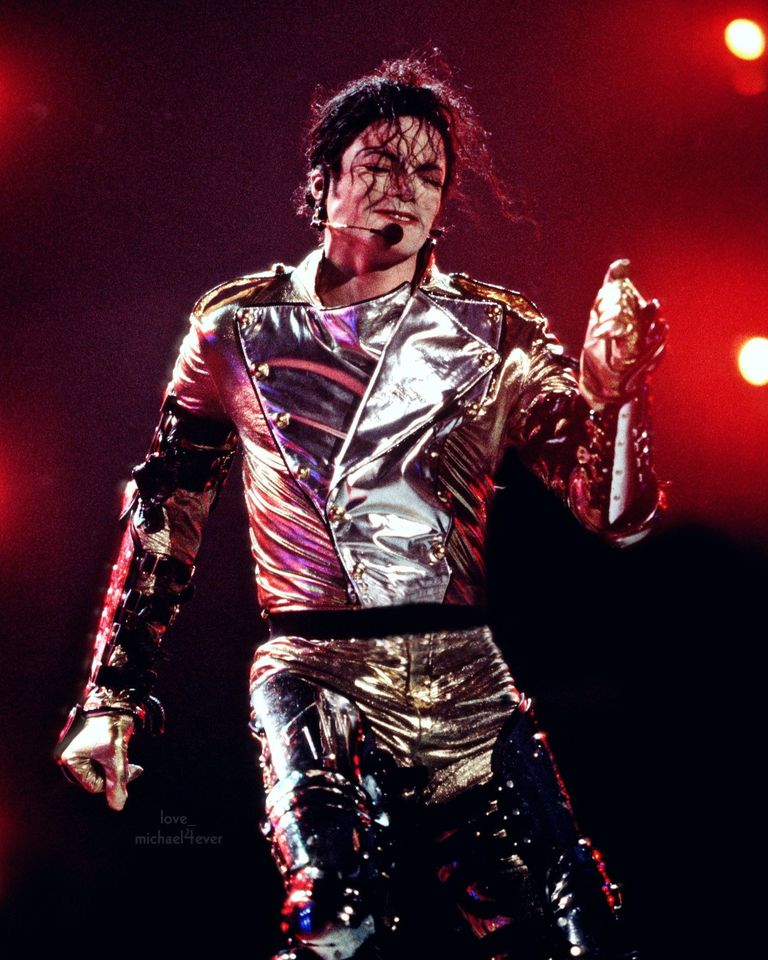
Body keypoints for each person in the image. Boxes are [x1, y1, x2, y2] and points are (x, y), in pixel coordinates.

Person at [55, 55, 665, 960]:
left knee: (581, 933)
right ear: (322, 183)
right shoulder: (237, 330)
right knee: (335, 916)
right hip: (316, 669)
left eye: (428, 173)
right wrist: (114, 698)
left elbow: (611, 513)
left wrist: (616, 396)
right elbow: (167, 512)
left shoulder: (493, 331)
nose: (405, 189)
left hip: (466, 682)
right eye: (380, 164)